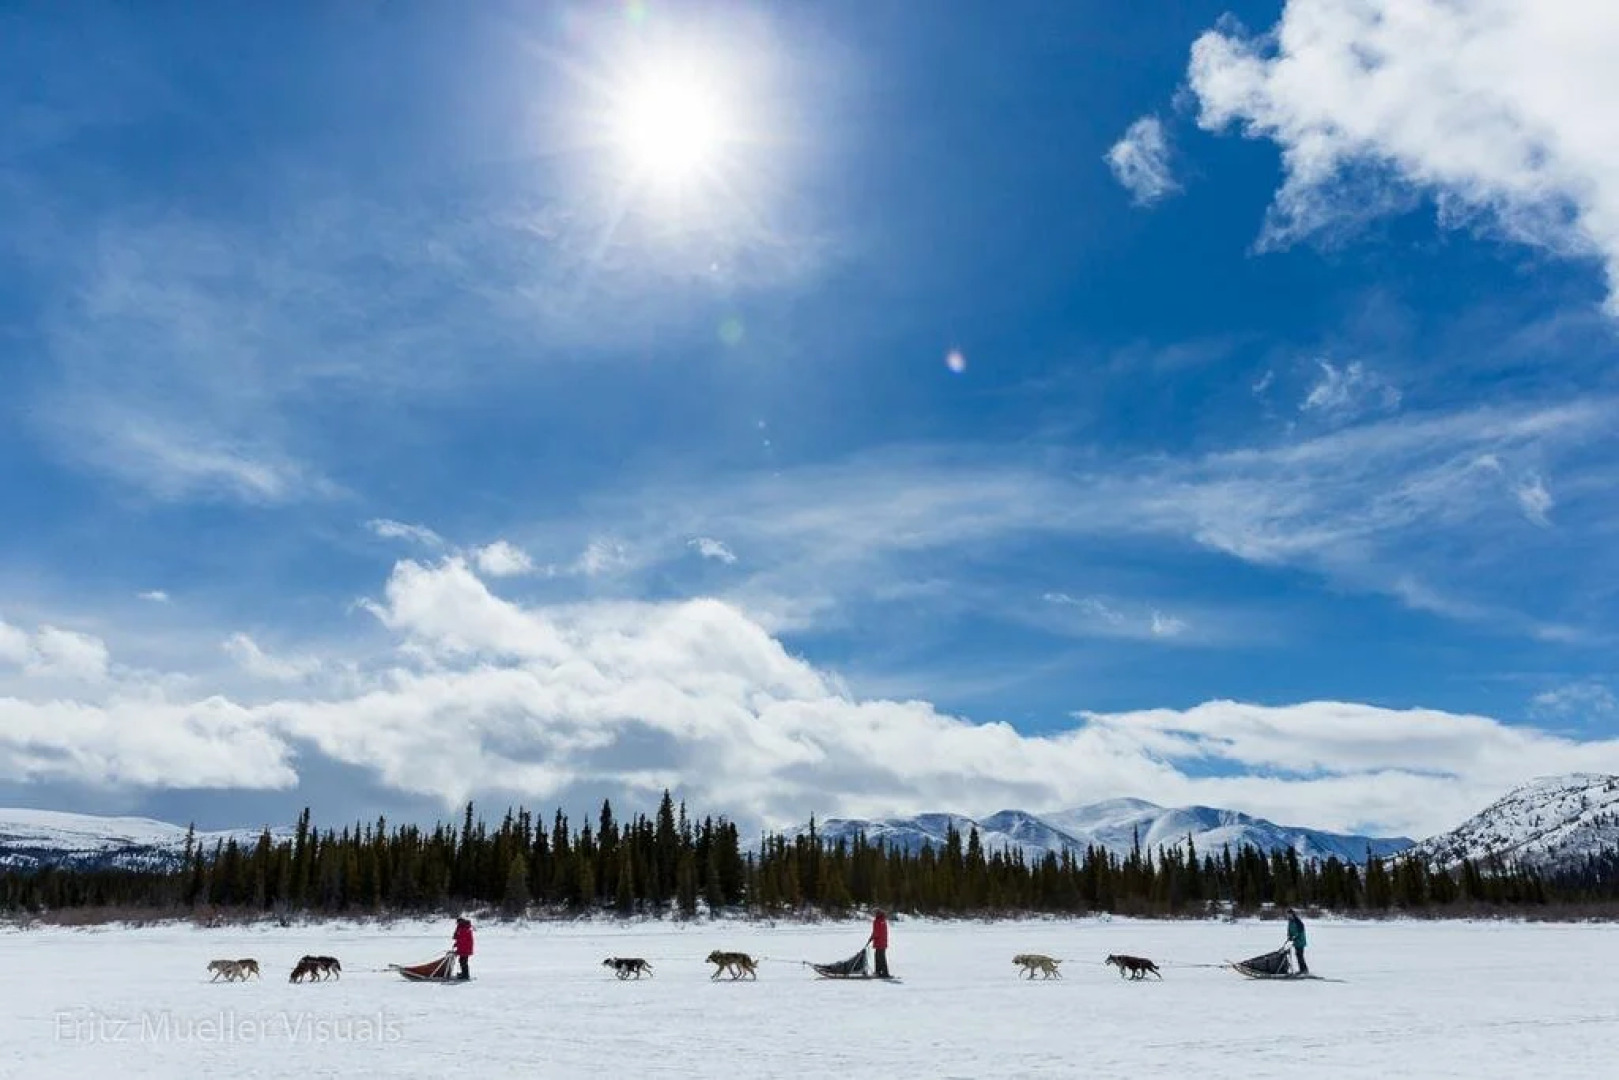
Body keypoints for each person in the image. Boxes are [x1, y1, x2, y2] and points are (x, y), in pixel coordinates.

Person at [864, 909, 891, 978]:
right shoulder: (882, 920)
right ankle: (879, 971)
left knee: (880, 958)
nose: (874, 914)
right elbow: (877, 931)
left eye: (875, 913)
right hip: (882, 942)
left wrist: (871, 938)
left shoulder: (878, 921)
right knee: (879, 957)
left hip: (880, 942)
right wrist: (872, 937)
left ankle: (883, 972)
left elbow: (876, 932)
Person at [1285, 908, 1307, 975]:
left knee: (1300, 955)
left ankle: (1304, 970)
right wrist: (1289, 936)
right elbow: (1289, 930)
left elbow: (1299, 931)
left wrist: (1294, 937)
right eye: (1288, 915)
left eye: (1290, 914)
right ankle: (1303, 969)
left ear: (1292, 914)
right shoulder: (1290, 921)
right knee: (1298, 955)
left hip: (1300, 941)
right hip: (1296, 941)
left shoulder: (1297, 921)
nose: (1288, 916)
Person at [453, 916, 475, 981]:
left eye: (458, 923)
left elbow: (462, 940)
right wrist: (456, 944)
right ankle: (464, 973)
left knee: (463, 962)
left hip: (465, 949)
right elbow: (460, 939)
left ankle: (465, 975)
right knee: (462, 961)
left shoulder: (464, 929)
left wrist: (457, 946)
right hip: (465, 948)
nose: (457, 924)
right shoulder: (464, 928)